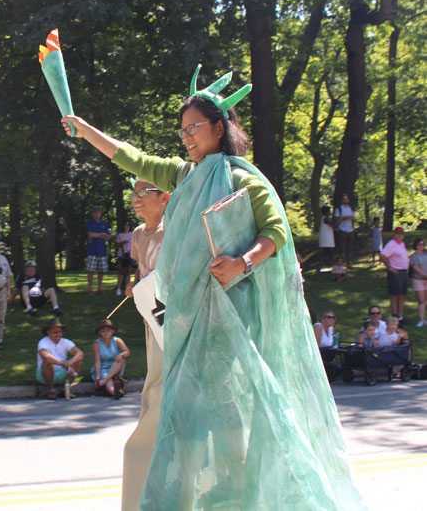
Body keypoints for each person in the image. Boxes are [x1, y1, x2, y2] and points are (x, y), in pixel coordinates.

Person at [62, 65, 364, 509]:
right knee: (184, 416)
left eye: (194, 128)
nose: (186, 137)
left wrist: (243, 261)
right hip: (187, 320)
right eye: (182, 130)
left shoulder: (244, 178)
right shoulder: (184, 177)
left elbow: (276, 231)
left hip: (236, 321)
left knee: (237, 413)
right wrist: (85, 130)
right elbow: (132, 158)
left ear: (219, 129)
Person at [122, 179, 169, 511]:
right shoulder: (138, 235)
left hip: (171, 316)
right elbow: (139, 271)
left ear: (164, 198)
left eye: (144, 193)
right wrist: (134, 286)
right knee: (154, 372)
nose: (136, 199)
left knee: (166, 375)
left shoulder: (175, 231)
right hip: (148, 315)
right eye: (134, 194)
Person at [36, 318, 84, 400]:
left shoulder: (66, 342)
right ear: (48, 332)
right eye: (55, 332)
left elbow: (80, 353)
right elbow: (45, 356)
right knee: (47, 363)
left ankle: (67, 389)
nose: (58, 334)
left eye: (60, 332)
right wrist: (62, 363)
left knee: (78, 362)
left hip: (62, 372)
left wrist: (70, 363)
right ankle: (50, 390)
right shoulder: (43, 342)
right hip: (45, 374)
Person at [91, 319, 130, 399]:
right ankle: (115, 392)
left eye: (108, 330)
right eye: (103, 331)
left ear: (112, 331)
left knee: (121, 359)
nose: (106, 333)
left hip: (115, 366)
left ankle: (105, 382)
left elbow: (127, 352)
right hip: (103, 368)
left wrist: (121, 354)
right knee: (108, 380)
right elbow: (97, 362)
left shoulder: (117, 340)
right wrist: (98, 378)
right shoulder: (97, 344)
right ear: (100, 332)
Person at [380, 227, 409, 324]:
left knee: (402, 295)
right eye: (398, 233)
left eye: (401, 233)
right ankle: (394, 317)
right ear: (394, 234)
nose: (400, 235)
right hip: (396, 273)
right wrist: (389, 267)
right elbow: (383, 255)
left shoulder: (402, 244)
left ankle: (400, 317)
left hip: (404, 272)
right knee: (395, 295)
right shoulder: (391, 244)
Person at [86, 207, 111, 296]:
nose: (97, 214)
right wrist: (101, 234)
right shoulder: (90, 224)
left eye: (98, 212)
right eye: (95, 212)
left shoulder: (104, 224)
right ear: (93, 214)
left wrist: (99, 235)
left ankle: (100, 289)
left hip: (102, 251)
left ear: (100, 213)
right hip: (92, 250)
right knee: (91, 270)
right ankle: (90, 289)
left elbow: (108, 236)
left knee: (101, 271)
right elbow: (91, 235)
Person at [333, 193, 355, 267]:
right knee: (341, 247)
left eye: (347, 199)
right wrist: (344, 218)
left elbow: (353, 219)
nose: (346, 200)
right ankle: (340, 263)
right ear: (342, 200)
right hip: (342, 229)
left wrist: (353, 220)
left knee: (350, 247)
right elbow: (336, 221)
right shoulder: (339, 209)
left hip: (350, 229)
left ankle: (349, 262)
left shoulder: (351, 208)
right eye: (344, 199)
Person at [410, 237, 427, 327]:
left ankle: (424, 318)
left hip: (426, 281)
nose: (422, 246)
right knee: (421, 300)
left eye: (423, 244)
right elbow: (415, 268)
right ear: (416, 245)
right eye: (420, 244)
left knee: (425, 300)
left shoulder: (426, 255)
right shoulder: (414, 256)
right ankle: (420, 319)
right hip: (418, 280)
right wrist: (425, 275)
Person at [115, 221, 135, 295]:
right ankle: (118, 288)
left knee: (128, 272)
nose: (127, 226)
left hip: (131, 255)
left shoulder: (133, 234)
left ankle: (127, 289)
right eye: (125, 225)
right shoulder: (120, 235)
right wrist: (123, 242)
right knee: (121, 272)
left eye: (128, 225)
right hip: (122, 255)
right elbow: (117, 245)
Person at [317, 205, 335, 271]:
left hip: (327, 237)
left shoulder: (324, 218)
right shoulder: (325, 219)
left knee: (324, 253)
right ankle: (335, 267)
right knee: (327, 253)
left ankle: (319, 267)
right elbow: (332, 225)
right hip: (326, 238)